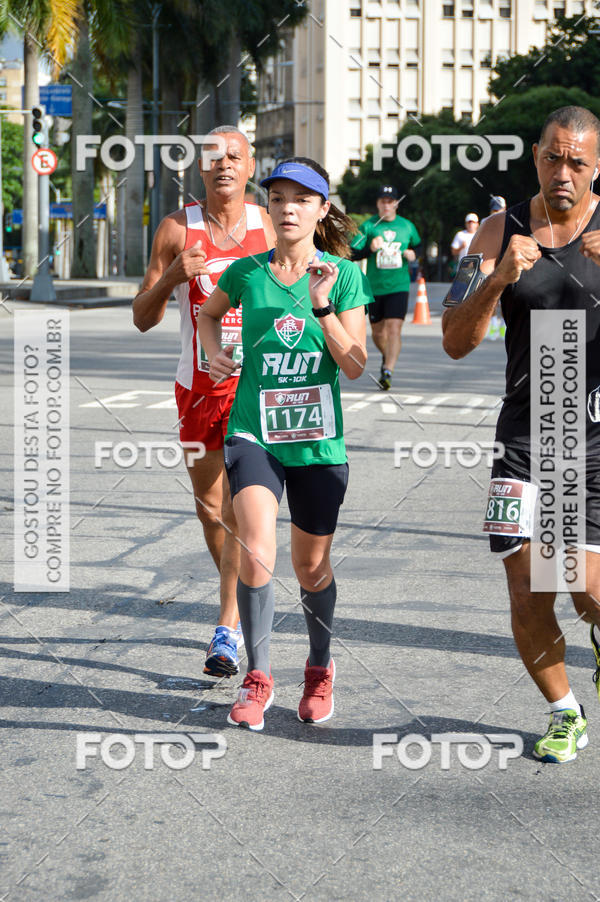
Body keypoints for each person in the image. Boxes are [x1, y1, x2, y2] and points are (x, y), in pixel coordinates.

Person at [442, 105, 600, 763]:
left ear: (596, 169)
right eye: (552, 157)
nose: (562, 172)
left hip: (590, 431)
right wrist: (500, 277)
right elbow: (454, 339)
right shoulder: (496, 234)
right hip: (524, 436)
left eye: (577, 162)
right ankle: (566, 712)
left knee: (586, 588)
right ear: (535, 156)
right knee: (526, 584)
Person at [197, 157, 372, 731]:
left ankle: (320, 668)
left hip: (319, 443)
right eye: (278, 199)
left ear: (323, 210)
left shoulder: (344, 275)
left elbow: (354, 365)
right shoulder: (246, 272)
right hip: (255, 432)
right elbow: (209, 315)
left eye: (302, 199)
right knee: (255, 550)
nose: (288, 208)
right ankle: (258, 675)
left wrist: (322, 306)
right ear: (268, 209)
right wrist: (211, 348)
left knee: (311, 567)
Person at [133, 126, 276, 677]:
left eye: (234, 157)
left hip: (256, 390)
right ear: (200, 169)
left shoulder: (271, 225)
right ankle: (243, 598)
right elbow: (143, 317)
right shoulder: (176, 228)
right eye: (213, 158)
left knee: (245, 509)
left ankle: (228, 626)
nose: (224, 166)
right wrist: (172, 274)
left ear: (249, 166)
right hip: (195, 389)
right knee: (211, 510)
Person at [350, 185, 421, 391]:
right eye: (383, 201)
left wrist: (413, 254)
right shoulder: (368, 226)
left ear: (396, 204)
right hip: (374, 287)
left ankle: (388, 370)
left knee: (394, 328)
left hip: (398, 285)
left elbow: (417, 245)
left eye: (390, 201)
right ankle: (387, 355)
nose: (386, 205)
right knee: (378, 333)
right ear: (378, 204)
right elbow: (352, 252)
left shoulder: (407, 226)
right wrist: (369, 248)